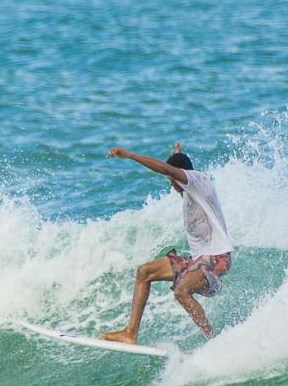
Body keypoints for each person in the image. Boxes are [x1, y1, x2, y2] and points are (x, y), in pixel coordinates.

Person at [100, 143, 234, 344]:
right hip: (198, 260)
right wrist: (177, 154)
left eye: (171, 179)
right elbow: (176, 169)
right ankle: (130, 333)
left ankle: (213, 342)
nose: (170, 184)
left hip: (217, 260)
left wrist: (129, 155)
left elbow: (167, 169)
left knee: (181, 290)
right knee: (144, 272)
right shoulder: (190, 189)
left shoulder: (198, 182)